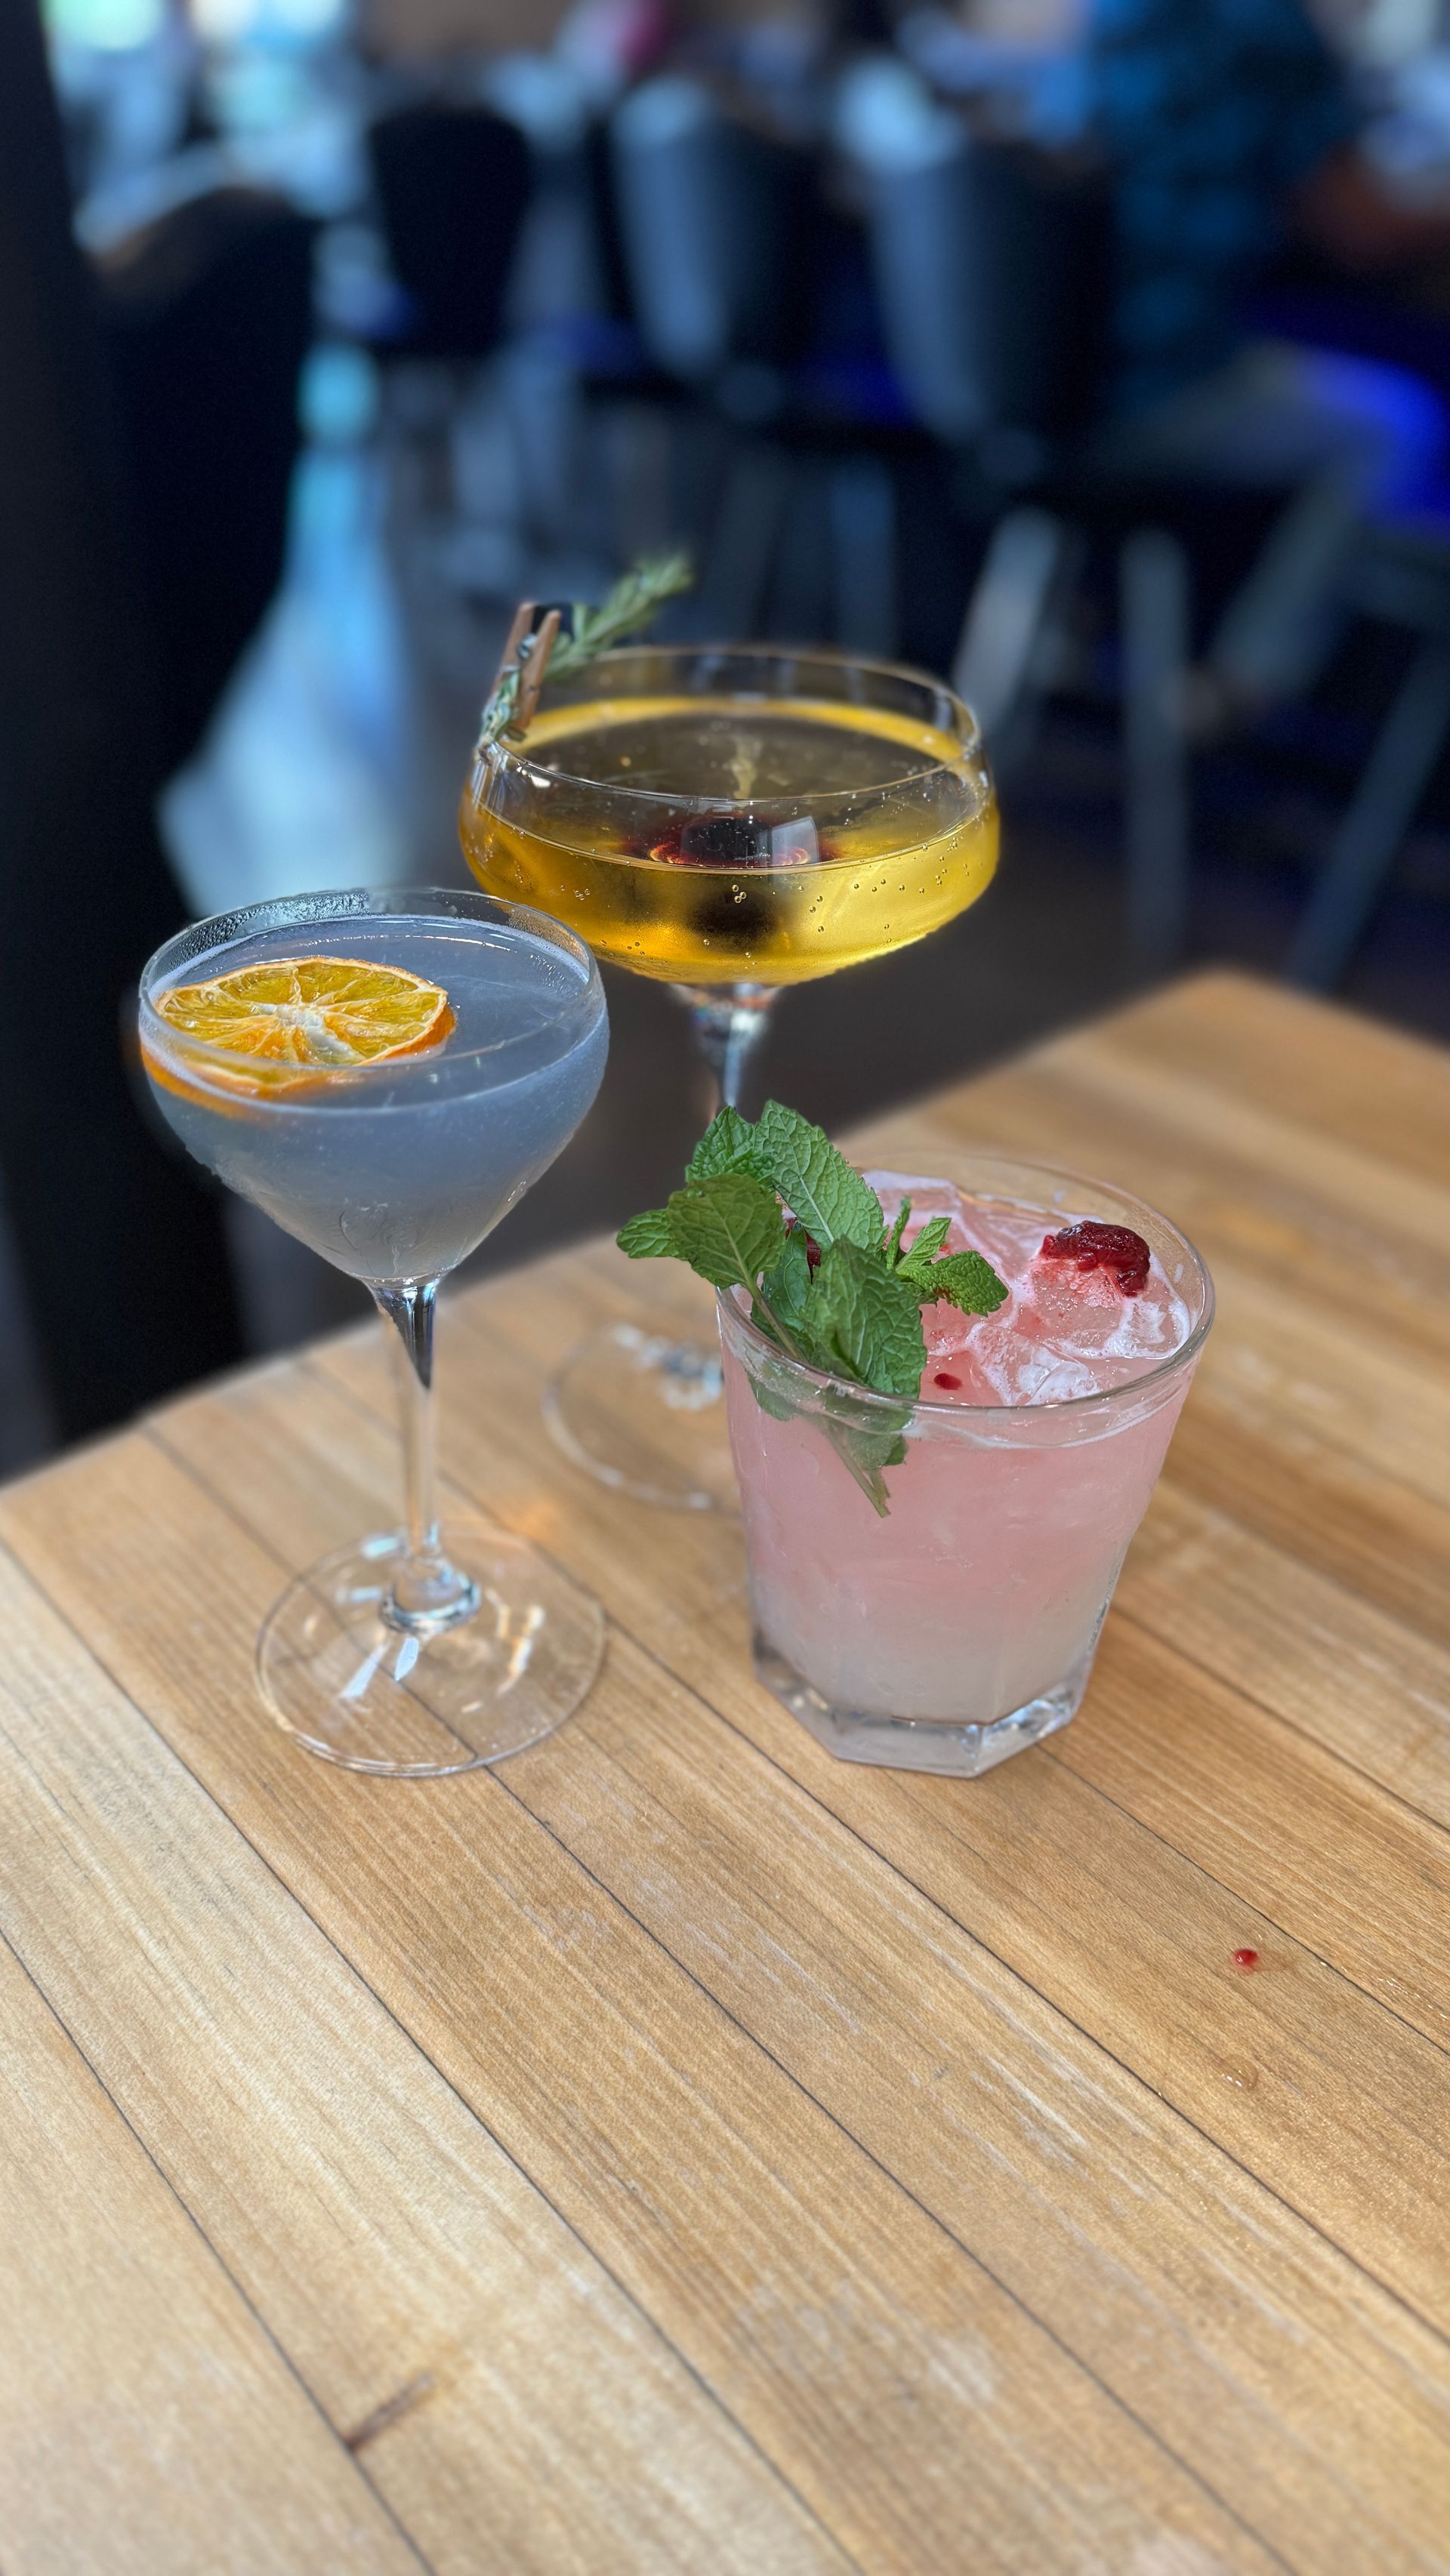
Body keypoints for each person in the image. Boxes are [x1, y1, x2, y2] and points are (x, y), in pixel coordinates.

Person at [1088, 0, 1450, 702]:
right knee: (1395, 423)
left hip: (1034, 376)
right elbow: (1362, 230)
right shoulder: (1268, 27)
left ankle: (1082, 618)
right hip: (1150, 388)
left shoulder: (1121, 11)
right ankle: (1242, 688)